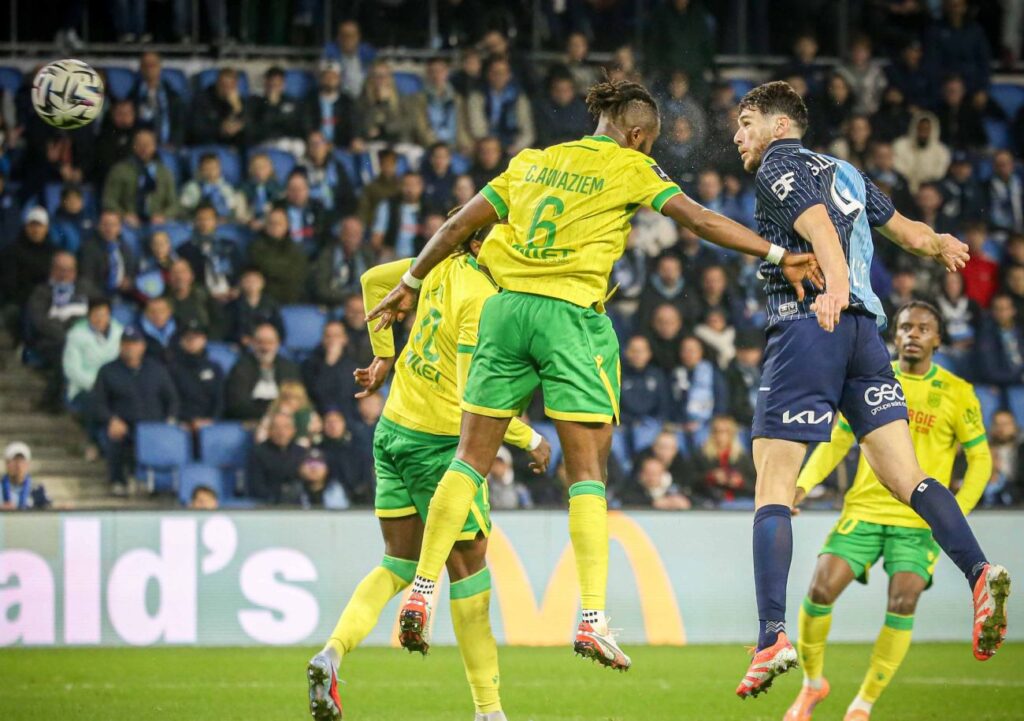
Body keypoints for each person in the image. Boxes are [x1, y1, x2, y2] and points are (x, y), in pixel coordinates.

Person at [368, 77, 821, 672]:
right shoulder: (632, 168)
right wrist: (775, 253)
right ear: (637, 135)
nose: (651, 153)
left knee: (468, 460)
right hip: (569, 318)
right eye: (651, 144)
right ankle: (590, 618)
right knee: (587, 473)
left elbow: (454, 230)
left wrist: (408, 283)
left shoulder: (533, 161)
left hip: (503, 311)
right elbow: (701, 221)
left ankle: (423, 589)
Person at [732, 80, 1008, 698]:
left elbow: (817, 229)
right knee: (905, 476)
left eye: (747, 122)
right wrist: (938, 244)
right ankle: (979, 570)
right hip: (866, 338)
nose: (737, 135)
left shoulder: (780, 162)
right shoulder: (847, 171)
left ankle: (771, 635)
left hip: (813, 323)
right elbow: (907, 230)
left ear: (780, 125)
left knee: (772, 481)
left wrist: (830, 284)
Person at [306, 221, 553, 720]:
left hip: (392, 429)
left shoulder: (439, 263)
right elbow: (472, 398)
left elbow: (375, 281)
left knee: (396, 562)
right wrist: (530, 437)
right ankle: (489, 711)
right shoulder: (483, 299)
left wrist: (384, 356)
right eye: (507, 237)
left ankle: (331, 652)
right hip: (438, 448)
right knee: (469, 570)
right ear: (480, 243)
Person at [786, 302, 992, 721]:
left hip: (917, 523)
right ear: (893, 335)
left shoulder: (957, 392)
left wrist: (952, 514)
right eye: (904, 327)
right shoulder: (873, 380)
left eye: (923, 328)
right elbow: (838, 441)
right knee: (819, 591)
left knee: (903, 599)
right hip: (863, 509)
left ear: (937, 338)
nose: (912, 334)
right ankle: (813, 683)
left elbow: (981, 460)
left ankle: (862, 705)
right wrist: (803, 484)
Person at [92, 326, 179, 494]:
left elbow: (172, 398)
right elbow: (98, 403)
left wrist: (170, 420)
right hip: (124, 425)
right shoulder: (108, 371)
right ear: (120, 346)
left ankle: (156, 483)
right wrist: (111, 420)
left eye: (134, 343)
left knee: (166, 438)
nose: (130, 347)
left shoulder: (156, 369)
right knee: (115, 437)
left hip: (153, 426)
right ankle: (118, 481)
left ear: (142, 346)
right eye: (126, 343)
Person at [224, 322, 301, 421]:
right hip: (251, 420)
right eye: (260, 342)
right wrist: (270, 412)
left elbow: (297, 399)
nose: (265, 348)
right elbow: (237, 405)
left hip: (284, 421)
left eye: (270, 342)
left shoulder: (289, 368)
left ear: (277, 344)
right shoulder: (241, 368)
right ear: (253, 343)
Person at [101, 129, 177, 225]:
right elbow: (109, 201)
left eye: (148, 144)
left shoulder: (165, 173)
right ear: (134, 146)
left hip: (156, 224)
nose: (144, 148)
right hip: (126, 223)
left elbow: (174, 204)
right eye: (140, 144)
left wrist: (163, 216)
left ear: (154, 147)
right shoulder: (119, 170)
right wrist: (124, 215)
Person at [63, 298, 123, 414]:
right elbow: (72, 370)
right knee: (99, 406)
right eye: (96, 315)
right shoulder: (76, 335)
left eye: (104, 315)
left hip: (114, 387)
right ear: (89, 315)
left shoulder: (120, 333)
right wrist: (99, 386)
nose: (100, 319)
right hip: (84, 388)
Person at [246, 205, 310, 304]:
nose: (275, 227)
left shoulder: (297, 249)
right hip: (266, 300)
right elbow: (264, 268)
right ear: (266, 226)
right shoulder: (256, 247)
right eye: (271, 223)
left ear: (287, 225)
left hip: (293, 298)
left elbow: (297, 274)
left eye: (279, 223)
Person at [177, 204, 242, 301]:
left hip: (231, 294)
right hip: (202, 297)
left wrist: (237, 288)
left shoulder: (229, 246)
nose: (204, 222)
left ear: (216, 221)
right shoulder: (185, 249)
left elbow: (240, 270)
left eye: (208, 219)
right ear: (194, 222)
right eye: (200, 219)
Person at [169, 319, 223, 433]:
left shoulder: (215, 368)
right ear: (181, 341)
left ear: (204, 340)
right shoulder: (171, 369)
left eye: (196, 337)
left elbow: (220, 399)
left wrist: (211, 420)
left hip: (210, 426)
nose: (192, 341)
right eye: (188, 338)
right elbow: (172, 399)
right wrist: (185, 421)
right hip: (181, 426)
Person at [692, 415, 755, 504]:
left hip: (739, 501)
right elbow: (692, 482)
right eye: (717, 431)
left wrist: (740, 482)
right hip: (710, 501)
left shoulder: (742, 458)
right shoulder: (702, 455)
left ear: (732, 434)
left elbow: (754, 484)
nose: (720, 435)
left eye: (725, 431)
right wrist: (711, 477)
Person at [311, 216, 373, 308]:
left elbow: (374, 286)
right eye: (349, 234)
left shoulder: (367, 256)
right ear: (341, 235)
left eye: (356, 234)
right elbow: (321, 289)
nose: (352, 239)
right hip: (333, 304)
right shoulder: (327, 255)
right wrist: (349, 298)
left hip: (361, 306)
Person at [301, 321, 358, 418]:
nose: (332, 340)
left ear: (345, 339)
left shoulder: (353, 366)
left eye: (336, 336)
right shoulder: (310, 364)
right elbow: (317, 394)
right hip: (320, 415)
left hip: (347, 417)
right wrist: (329, 364)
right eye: (328, 336)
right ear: (323, 339)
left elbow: (352, 397)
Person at [77, 211, 137, 300]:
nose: (109, 229)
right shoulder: (89, 249)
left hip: (124, 296)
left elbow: (133, 272)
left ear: (119, 228)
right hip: (99, 298)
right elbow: (87, 281)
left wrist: (129, 282)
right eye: (105, 224)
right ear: (98, 226)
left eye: (113, 225)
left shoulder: (125, 247)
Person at [189, 67, 248, 149]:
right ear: (217, 82)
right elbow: (196, 129)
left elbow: (249, 129)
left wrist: (237, 109)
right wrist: (221, 129)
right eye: (223, 84)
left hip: (232, 148)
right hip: (207, 145)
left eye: (230, 85)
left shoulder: (241, 102)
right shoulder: (203, 98)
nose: (226, 89)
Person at [179, 153, 246, 221]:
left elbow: (232, 208)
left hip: (224, 222)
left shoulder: (227, 188)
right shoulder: (192, 187)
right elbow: (185, 207)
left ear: (219, 168)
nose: (211, 172)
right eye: (207, 169)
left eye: (214, 168)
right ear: (200, 170)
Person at [985, 410, 1023, 507]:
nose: (1001, 428)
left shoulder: (1021, 450)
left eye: (1006, 424)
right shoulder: (982, 451)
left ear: (1015, 426)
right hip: (987, 504)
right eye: (997, 424)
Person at [2, 442, 49, 510]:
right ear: (7, 464)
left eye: (22, 461)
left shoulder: (37, 489)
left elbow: (48, 510)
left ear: (27, 464)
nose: (18, 465)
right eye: (14, 460)